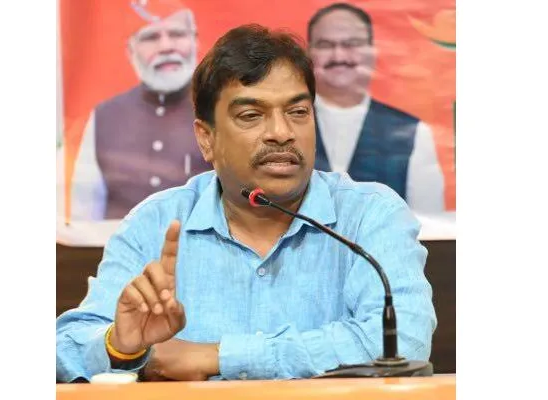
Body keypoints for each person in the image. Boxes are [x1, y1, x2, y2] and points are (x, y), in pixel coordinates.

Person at [56, 24, 436, 382]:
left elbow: (403, 342)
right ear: (206, 139)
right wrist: (120, 347)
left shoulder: (369, 215)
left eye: (298, 112)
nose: (282, 133)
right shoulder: (155, 224)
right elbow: (66, 347)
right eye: (251, 115)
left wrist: (217, 357)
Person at [70, 0, 211, 220]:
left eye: (177, 34)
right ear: (130, 50)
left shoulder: (218, 107)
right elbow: (84, 214)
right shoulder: (105, 116)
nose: (166, 47)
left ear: (195, 41)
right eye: (151, 37)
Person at [308, 2, 445, 213]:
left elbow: (428, 224)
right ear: (308, 53)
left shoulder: (414, 133)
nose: (339, 56)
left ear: (372, 52)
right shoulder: (285, 125)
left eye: (351, 44)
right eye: (325, 45)